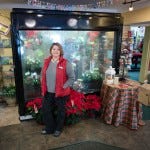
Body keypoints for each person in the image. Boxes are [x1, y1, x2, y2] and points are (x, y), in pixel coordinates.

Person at [41, 42, 75, 137]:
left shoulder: (65, 63)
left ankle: (58, 129)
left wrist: (63, 86)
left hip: (61, 93)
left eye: (58, 49)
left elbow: (72, 78)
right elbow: (42, 75)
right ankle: (49, 128)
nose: (55, 51)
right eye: (53, 49)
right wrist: (43, 85)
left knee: (60, 112)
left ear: (61, 51)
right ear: (51, 51)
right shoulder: (46, 62)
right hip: (48, 92)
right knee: (46, 110)